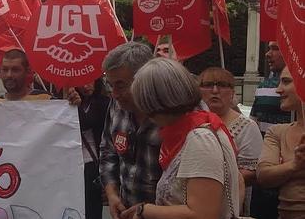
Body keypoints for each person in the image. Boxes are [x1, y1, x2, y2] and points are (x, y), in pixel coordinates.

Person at [123, 58, 240, 219]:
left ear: (152, 103)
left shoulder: (200, 139)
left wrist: (146, 210)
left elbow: (203, 213)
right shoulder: (187, 131)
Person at [93, 42, 162, 219]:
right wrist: (112, 194)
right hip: (126, 212)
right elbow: (108, 152)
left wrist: (152, 212)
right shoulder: (116, 106)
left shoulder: (173, 111)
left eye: (121, 85)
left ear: (144, 78)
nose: (114, 94)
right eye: (110, 85)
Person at [199, 67, 263, 216]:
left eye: (222, 85)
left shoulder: (247, 127)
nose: (215, 90)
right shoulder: (190, 122)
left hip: (230, 204)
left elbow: (253, 172)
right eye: (208, 85)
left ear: (232, 92)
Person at [256, 66, 305, 219]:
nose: (278, 90)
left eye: (286, 82)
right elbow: (263, 177)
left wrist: (283, 169)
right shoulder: (277, 132)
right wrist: (294, 165)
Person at [249, 41, 291, 218]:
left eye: (275, 48)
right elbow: (254, 124)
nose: (267, 54)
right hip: (265, 176)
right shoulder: (263, 86)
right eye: (269, 48)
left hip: (292, 181)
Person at [75, 79, 111, 219]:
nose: (85, 85)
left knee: (92, 209)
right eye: (82, 82)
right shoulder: (67, 101)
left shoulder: (104, 102)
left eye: (90, 81)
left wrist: (76, 107)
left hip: (93, 164)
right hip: (73, 163)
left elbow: (88, 122)